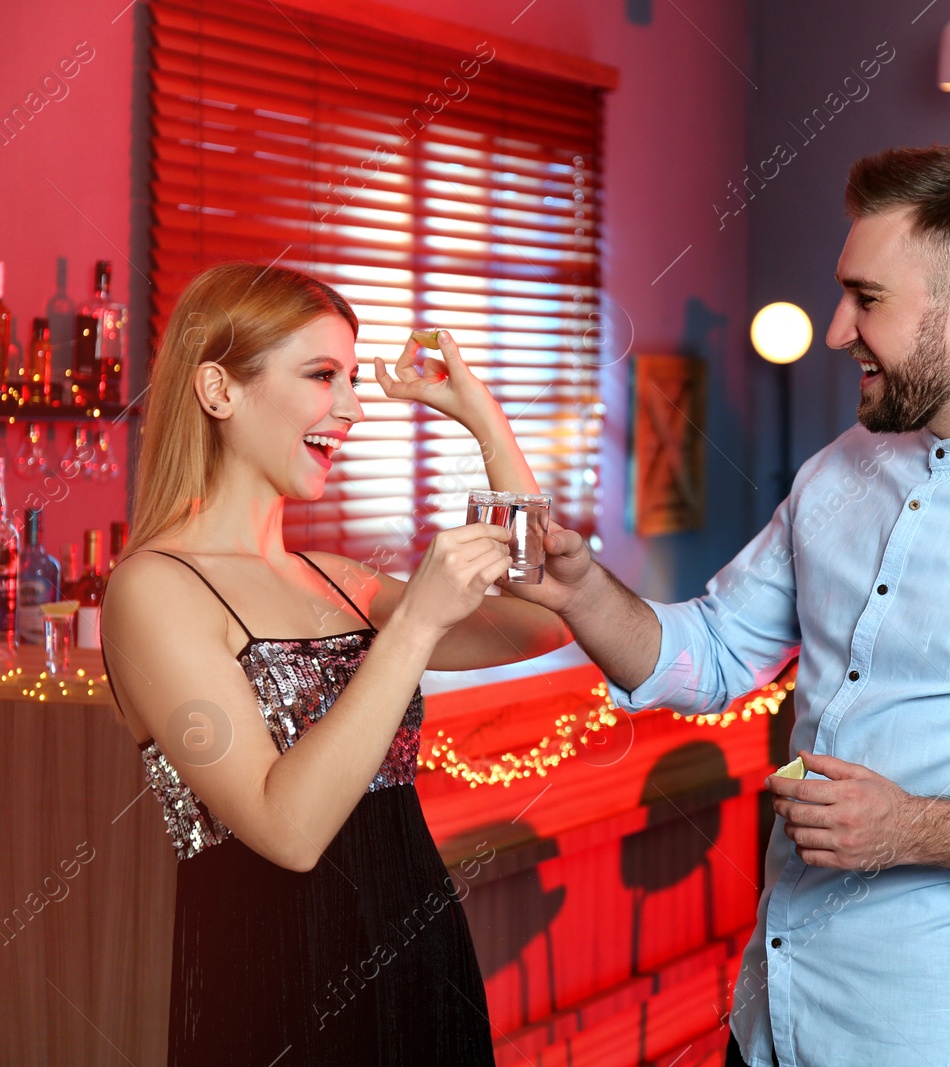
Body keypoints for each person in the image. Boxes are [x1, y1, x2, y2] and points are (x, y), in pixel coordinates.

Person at [499, 144, 950, 1067]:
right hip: (770, 1027)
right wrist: (580, 591)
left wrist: (913, 825)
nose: (837, 328)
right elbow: (715, 655)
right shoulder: (835, 471)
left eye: (867, 297)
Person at [100, 264, 571, 1065]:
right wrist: (416, 620)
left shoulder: (335, 578)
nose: (351, 409)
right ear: (218, 390)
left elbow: (546, 613)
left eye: (351, 378)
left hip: (422, 960)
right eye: (324, 375)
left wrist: (486, 425)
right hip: (278, 986)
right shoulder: (153, 590)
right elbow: (286, 831)